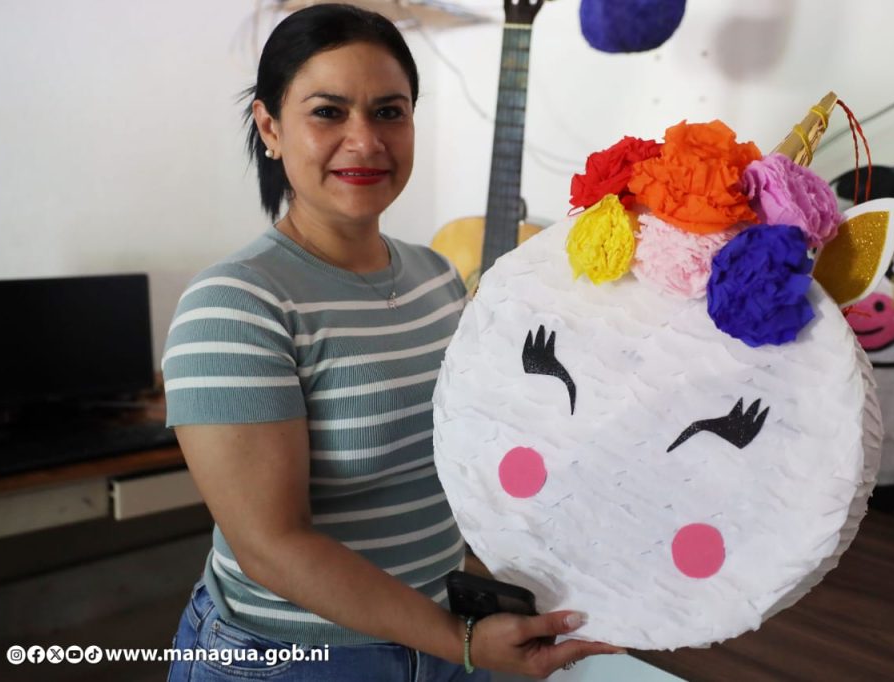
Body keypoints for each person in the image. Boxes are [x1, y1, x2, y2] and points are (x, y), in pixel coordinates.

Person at [162, 5, 623, 680]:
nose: (365, 141)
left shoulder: (435, 275)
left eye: (388, 112)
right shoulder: (235, 305)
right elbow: (270, 546)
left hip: (435, 636)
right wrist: (460, 642)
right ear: (270, 127)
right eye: (328, 112)